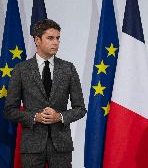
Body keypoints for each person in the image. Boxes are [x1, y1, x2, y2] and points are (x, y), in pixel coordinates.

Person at [4, 19, 86, 167]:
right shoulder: (21, 69)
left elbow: (80, 109)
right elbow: (9, 110)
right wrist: (35, 117)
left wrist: (59, 116)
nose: (56, 42)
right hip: (32, 147)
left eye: (58, 38)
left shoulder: (68, 69)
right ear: (37, 40)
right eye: (50, 38)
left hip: (61, 147)